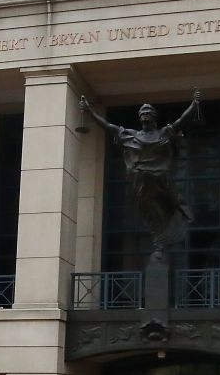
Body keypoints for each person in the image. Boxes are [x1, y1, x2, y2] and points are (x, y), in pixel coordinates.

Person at [80, 91, 201, 259]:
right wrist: (89, 112)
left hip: (159, 180)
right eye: (142, 112)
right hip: (141, 183)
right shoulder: (131, 135)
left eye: (148, 112)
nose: (145, 114)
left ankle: (176, 213)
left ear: (154, 116)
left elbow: (181, 121)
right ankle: (159, 243)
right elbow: (108, 126)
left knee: (167, 206)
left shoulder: (163, 133)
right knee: (151, 211)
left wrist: (194, 106)